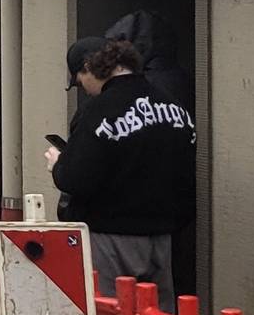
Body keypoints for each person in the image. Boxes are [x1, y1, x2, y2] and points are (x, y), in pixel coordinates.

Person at [49, 38, 196, 298]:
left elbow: (76, 179)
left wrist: (58, 165)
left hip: (111, 238)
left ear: (87, 67)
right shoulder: (173, 107)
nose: (83, 88)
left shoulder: (97, 111)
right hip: (164, 238)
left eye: (80, 80)